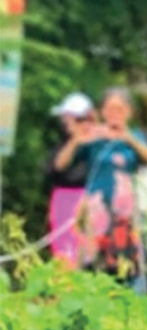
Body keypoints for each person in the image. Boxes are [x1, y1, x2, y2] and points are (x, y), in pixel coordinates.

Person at [54, 86, 147, 286]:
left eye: (119, 110)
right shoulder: (94, 137)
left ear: (128, 112)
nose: (114, 115)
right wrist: (77, 140)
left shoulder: (134, 137)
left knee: (126, 266)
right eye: (110, 109)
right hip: (97, 212)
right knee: (94, 265)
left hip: (124, 215)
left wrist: (127, 138)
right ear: (102, 112)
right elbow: (60, 165)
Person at [44, 91, 95, 269]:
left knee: (89, 254)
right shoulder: (64, 145)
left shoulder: (97, 144)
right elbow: (57, 166)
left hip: (91, 200)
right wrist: (75, 140)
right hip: (65, 201)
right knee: (65, 254)